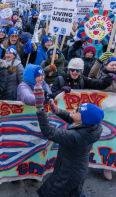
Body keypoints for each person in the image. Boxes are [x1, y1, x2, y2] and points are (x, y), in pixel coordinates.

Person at [33, 84, 103, 197]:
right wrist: (57, 111)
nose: (75, 109)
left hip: (68, 173)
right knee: (74, 193)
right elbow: (73, 119)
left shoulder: (76, 136)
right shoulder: (92, 126)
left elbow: (49, 132)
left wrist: (40, 108)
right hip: (77, 169)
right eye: (78, 106)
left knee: (52, 193)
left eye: (79, 110)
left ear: (85, 119)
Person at [88, 52, 116, 180]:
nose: (114, 67)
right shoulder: (100, 75)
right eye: (112, 65)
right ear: (106, 65)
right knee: (98, 136)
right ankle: (91, 158)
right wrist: (98, 62)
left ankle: (108, 166)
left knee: (112, 140)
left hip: (113, 114)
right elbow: (91, 76)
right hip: (100, 112)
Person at [49, 58, 114, 99]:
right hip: (60, 113)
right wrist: (60, 92)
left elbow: (97, 85)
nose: (74, 72)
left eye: (78, 70)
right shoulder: (60, 79)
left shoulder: (82, 80)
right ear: (69, 70)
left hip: (75, 112)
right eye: (72, 69)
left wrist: (106, 81)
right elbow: (50, 97)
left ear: (81, 71)